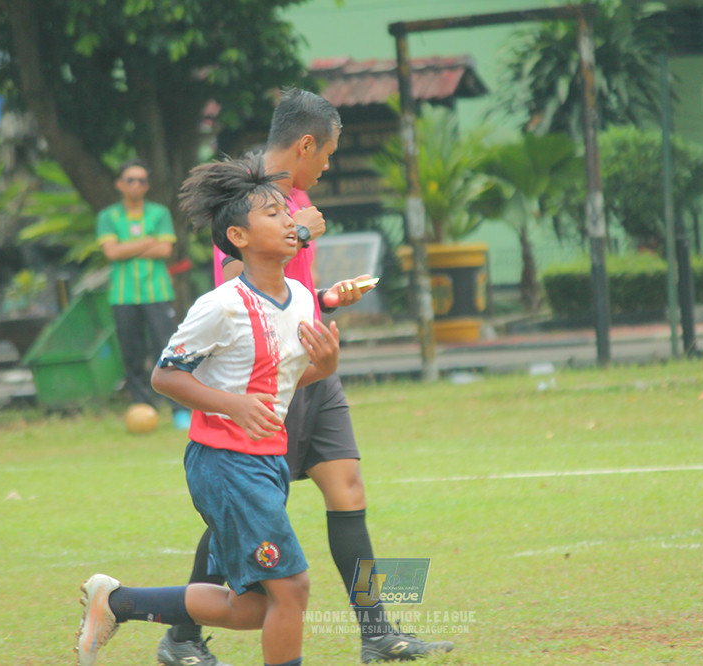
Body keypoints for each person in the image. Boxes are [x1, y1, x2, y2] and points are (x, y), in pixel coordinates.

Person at [158, 89, 454, 665]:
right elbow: (240, 282)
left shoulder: (291, 204)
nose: (327, 167)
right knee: (239, 514)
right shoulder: (256, 203)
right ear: (305, 144)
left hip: (319, 371)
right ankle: (182, 635)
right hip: (275, 381)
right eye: (328, 155)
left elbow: (284, 295)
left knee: (348, 491)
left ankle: (377, 633)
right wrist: (303, 231)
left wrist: (324, 300)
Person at [75, 153, 341, 666]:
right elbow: (164, 375)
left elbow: (282, 383)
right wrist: (232, 406)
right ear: (238, 237)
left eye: (288, 212)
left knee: (251, 608)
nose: (290, 221)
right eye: (272, 214)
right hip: (224, 463)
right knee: (293, 588)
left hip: (267, 461)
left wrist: (323, 368)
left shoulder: (304, 301)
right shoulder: (220, 305)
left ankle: (119, 602)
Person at [97, 159, 191, 430]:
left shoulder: (158, 213)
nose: (136, 185)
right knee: (132, 353)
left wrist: (129, 247)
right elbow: (111, 253)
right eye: (130, 180)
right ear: (119, 184)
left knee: (168, 349)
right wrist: (149, 241)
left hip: (157, 292)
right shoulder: (108, 217)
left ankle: (178, 409)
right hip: (123, 295)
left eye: (141, 180)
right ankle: (142, 406)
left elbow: (164, 251)